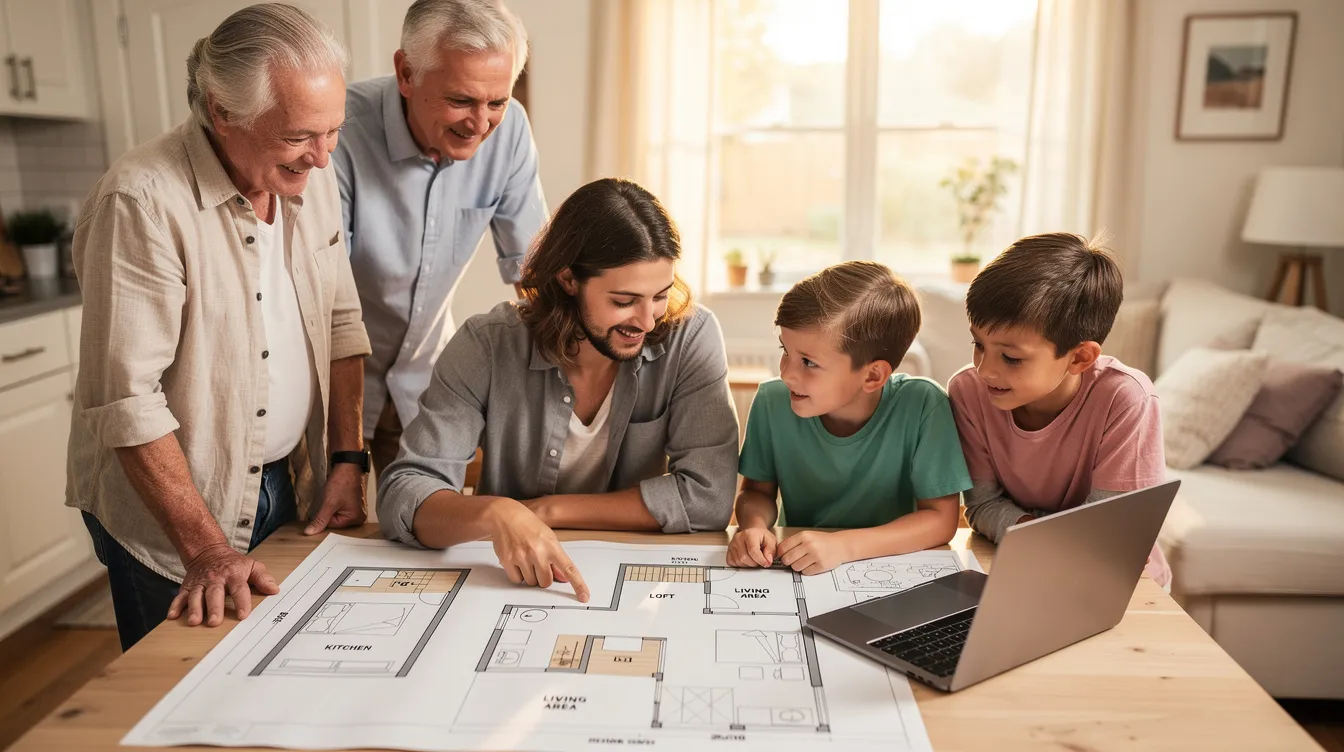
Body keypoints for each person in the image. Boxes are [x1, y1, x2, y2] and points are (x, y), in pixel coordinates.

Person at [66, 4, 372, 650]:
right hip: (176, 519)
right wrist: (206, 549)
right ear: (223, 112)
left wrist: (346, 457)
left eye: (333, 132)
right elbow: (126, 400)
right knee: (178, 705)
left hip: (288, 483)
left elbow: (342, 321)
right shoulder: (142, 201)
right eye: (299, 136)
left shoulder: (310, 176)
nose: (322, 159)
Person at [378, 178, 738, 602]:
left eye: (659, 296)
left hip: (633, 582)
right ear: (568, 279)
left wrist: (545, 510)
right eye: (624, 301)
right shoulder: (486, 343)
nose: (647, 321)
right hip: (514, 582)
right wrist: (496, 513)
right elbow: (405, 491)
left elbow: (709, 497)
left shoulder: (690, 337)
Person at [333, 0, 547, 473]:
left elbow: (534, 273)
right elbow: (329, 305)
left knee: (421, 531)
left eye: (497, 101)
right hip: (332, 384)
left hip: (424, 379)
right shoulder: (338, 130)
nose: (481, 124)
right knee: (324, 530)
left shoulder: (509, 132)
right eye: (461, 100)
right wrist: (344, 455)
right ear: (406, 73)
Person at [946, 232, 1172, 586]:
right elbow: (982, 506)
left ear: (1080, 357)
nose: (984, 369)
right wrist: (1042, 541)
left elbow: (1108, 536)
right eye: (978, 344)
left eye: (1010, 357)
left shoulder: (1126, 399)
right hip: (1026, 564)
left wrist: (1031, 534)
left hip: (1122, 581)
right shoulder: (968, 392)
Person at [727, 262, 971, 575]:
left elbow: (941, 520)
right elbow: (756, 493)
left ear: (873, 375)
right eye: (785, 350)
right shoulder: (772, 402)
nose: (786, 373)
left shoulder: (924, 405)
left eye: (809, 363)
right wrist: (754, 527)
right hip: (801, 567)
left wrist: (845, 547)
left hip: (892, 570)